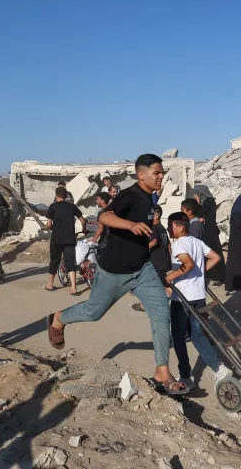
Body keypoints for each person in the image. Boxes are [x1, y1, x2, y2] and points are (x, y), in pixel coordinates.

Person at [46, 154, 187, 396]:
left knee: (161, 313)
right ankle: (59, 318)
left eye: (162, 173)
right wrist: (130, 225)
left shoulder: (150, 197)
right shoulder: (130, 195)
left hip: (142, 269)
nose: (161, 177)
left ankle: (162, 371)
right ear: (141, 175)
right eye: (156, 173)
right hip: (114, 271)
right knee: (93, 312)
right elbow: (104, 216)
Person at [165, 211, 232, 390]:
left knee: (178, 336)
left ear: (180, 227)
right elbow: (216, 257)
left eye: (171, 225)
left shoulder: (179, 244)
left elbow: (188, 265)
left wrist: (171, 276)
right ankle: (219, 368)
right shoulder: (197, 242)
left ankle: (186, 376)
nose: (169, 229)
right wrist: (200, 274)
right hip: (199, 295)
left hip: (183, 297)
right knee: (196, 334)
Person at [44, 187, 86, 295]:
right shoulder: (72, 206)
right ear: (66, 195)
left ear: (56, 196)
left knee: (54, 260)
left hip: (57, 238)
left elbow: (49, 224)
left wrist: (51, 228)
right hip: (70, 238)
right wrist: (84, 229)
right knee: (70, 262)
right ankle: (73, 288)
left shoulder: (52, 207)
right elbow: (83, 220)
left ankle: (50, 284)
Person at [132, 203, 169, 313]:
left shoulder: (154, 228)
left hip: (156, 262)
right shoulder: (162, 228)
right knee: (163, 284)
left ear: (156, 216)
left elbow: (154, 241)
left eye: (150, 214)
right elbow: (168, 245)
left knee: (151, 285)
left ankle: (144, 305)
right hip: (162, 261)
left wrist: (142, 250)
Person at [193, 185, 226, 284]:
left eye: (196, 193)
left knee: (212, 252)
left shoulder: (208, 201)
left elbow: (198, 213)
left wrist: (197, 201)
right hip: (209, 230)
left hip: (210, 231)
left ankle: (218, 276)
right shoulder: (208, 201)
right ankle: (212, 274)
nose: (195, 195)